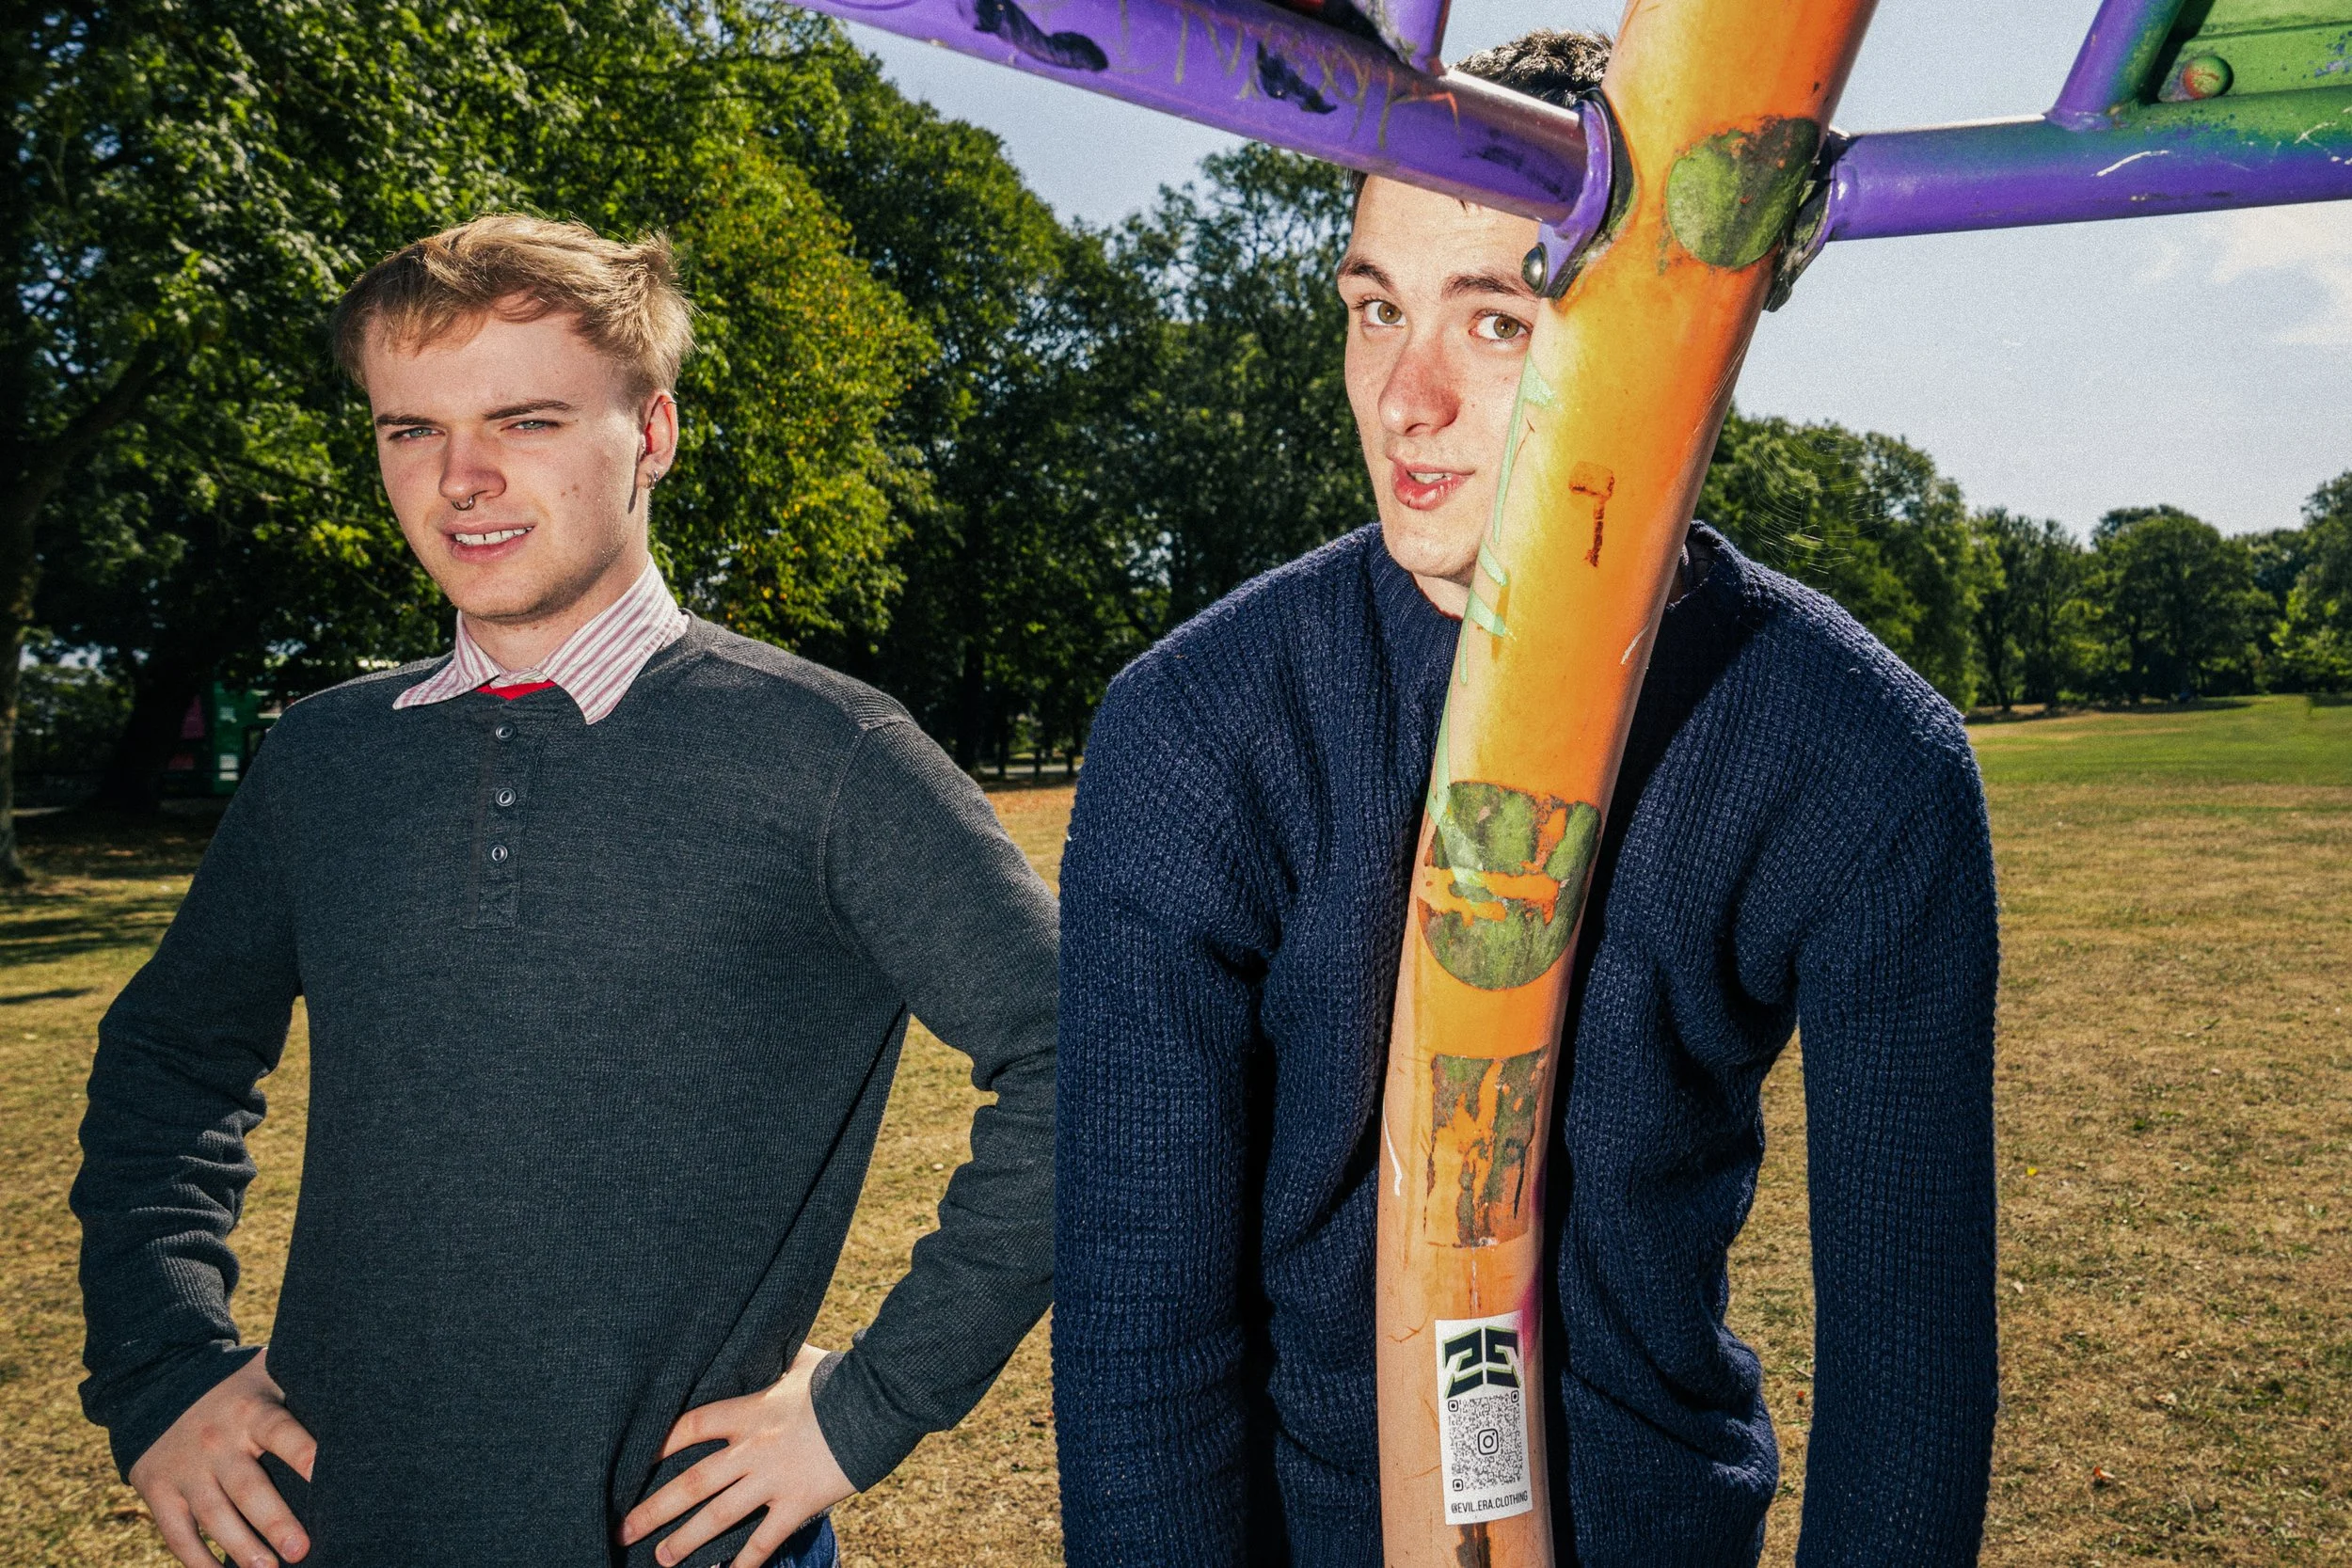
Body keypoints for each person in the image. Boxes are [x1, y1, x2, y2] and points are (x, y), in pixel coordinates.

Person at [1053, 29, 1998, 1568]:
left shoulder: (1863, 762)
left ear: (1686, 332)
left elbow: (1913, 1362)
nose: (1403, 399)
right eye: (1374, 309)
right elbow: (1141, 1337)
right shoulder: (1194, 733)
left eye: (1494, 320)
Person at [72, 214, 1058, 1568]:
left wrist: (865, 1407)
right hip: (328, 1528)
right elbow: (167, 1060)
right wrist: (159, 1362)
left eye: (525, 419)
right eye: (409, 429)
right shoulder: (322, 758)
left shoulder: (831, 757)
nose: (460, 478)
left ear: (651, 432)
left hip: (675, 1544)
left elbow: (1091, 1055)